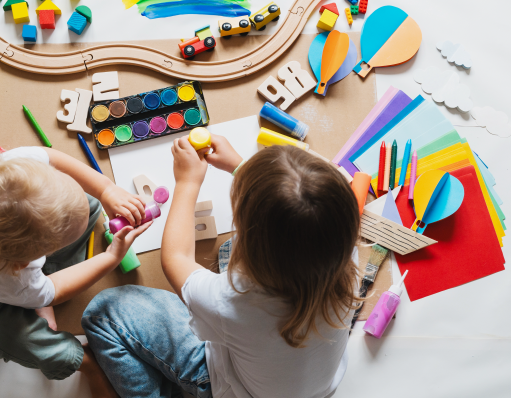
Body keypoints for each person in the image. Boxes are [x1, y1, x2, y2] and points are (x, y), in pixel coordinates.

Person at [82, 135, 361, 397]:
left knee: (103, 312)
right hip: (311, 387)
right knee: (238, 245)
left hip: (234, 387)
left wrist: (187, 182)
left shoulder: (231, 301)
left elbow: (175, 259)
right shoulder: (344, 253)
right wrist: (240, 167)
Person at [0, 146, 150, 398]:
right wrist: (111, 257)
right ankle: (87, 364)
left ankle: (38, 288)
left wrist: (106, 188)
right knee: (18, 339)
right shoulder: (11, 278)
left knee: (91, 206)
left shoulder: (8, 173)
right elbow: (55, 292)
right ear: (24, 262)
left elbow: (50, 155)